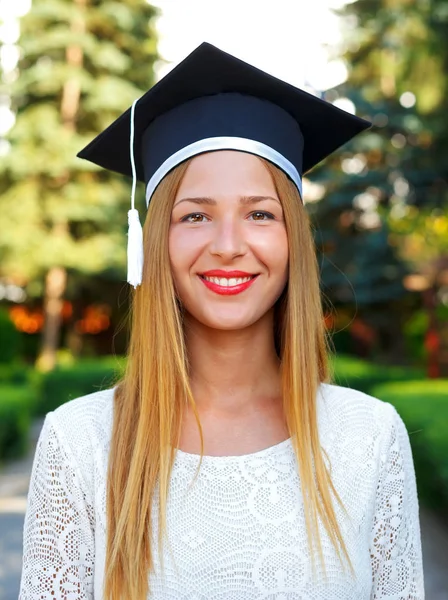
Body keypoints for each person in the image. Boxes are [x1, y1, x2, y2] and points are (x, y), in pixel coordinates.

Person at [19, 43, 424, 599]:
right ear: (155, 238)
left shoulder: (370, 438)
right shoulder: (84, 444)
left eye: (260, 213)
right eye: (195, 215)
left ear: (293, 241)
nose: (229, 246)